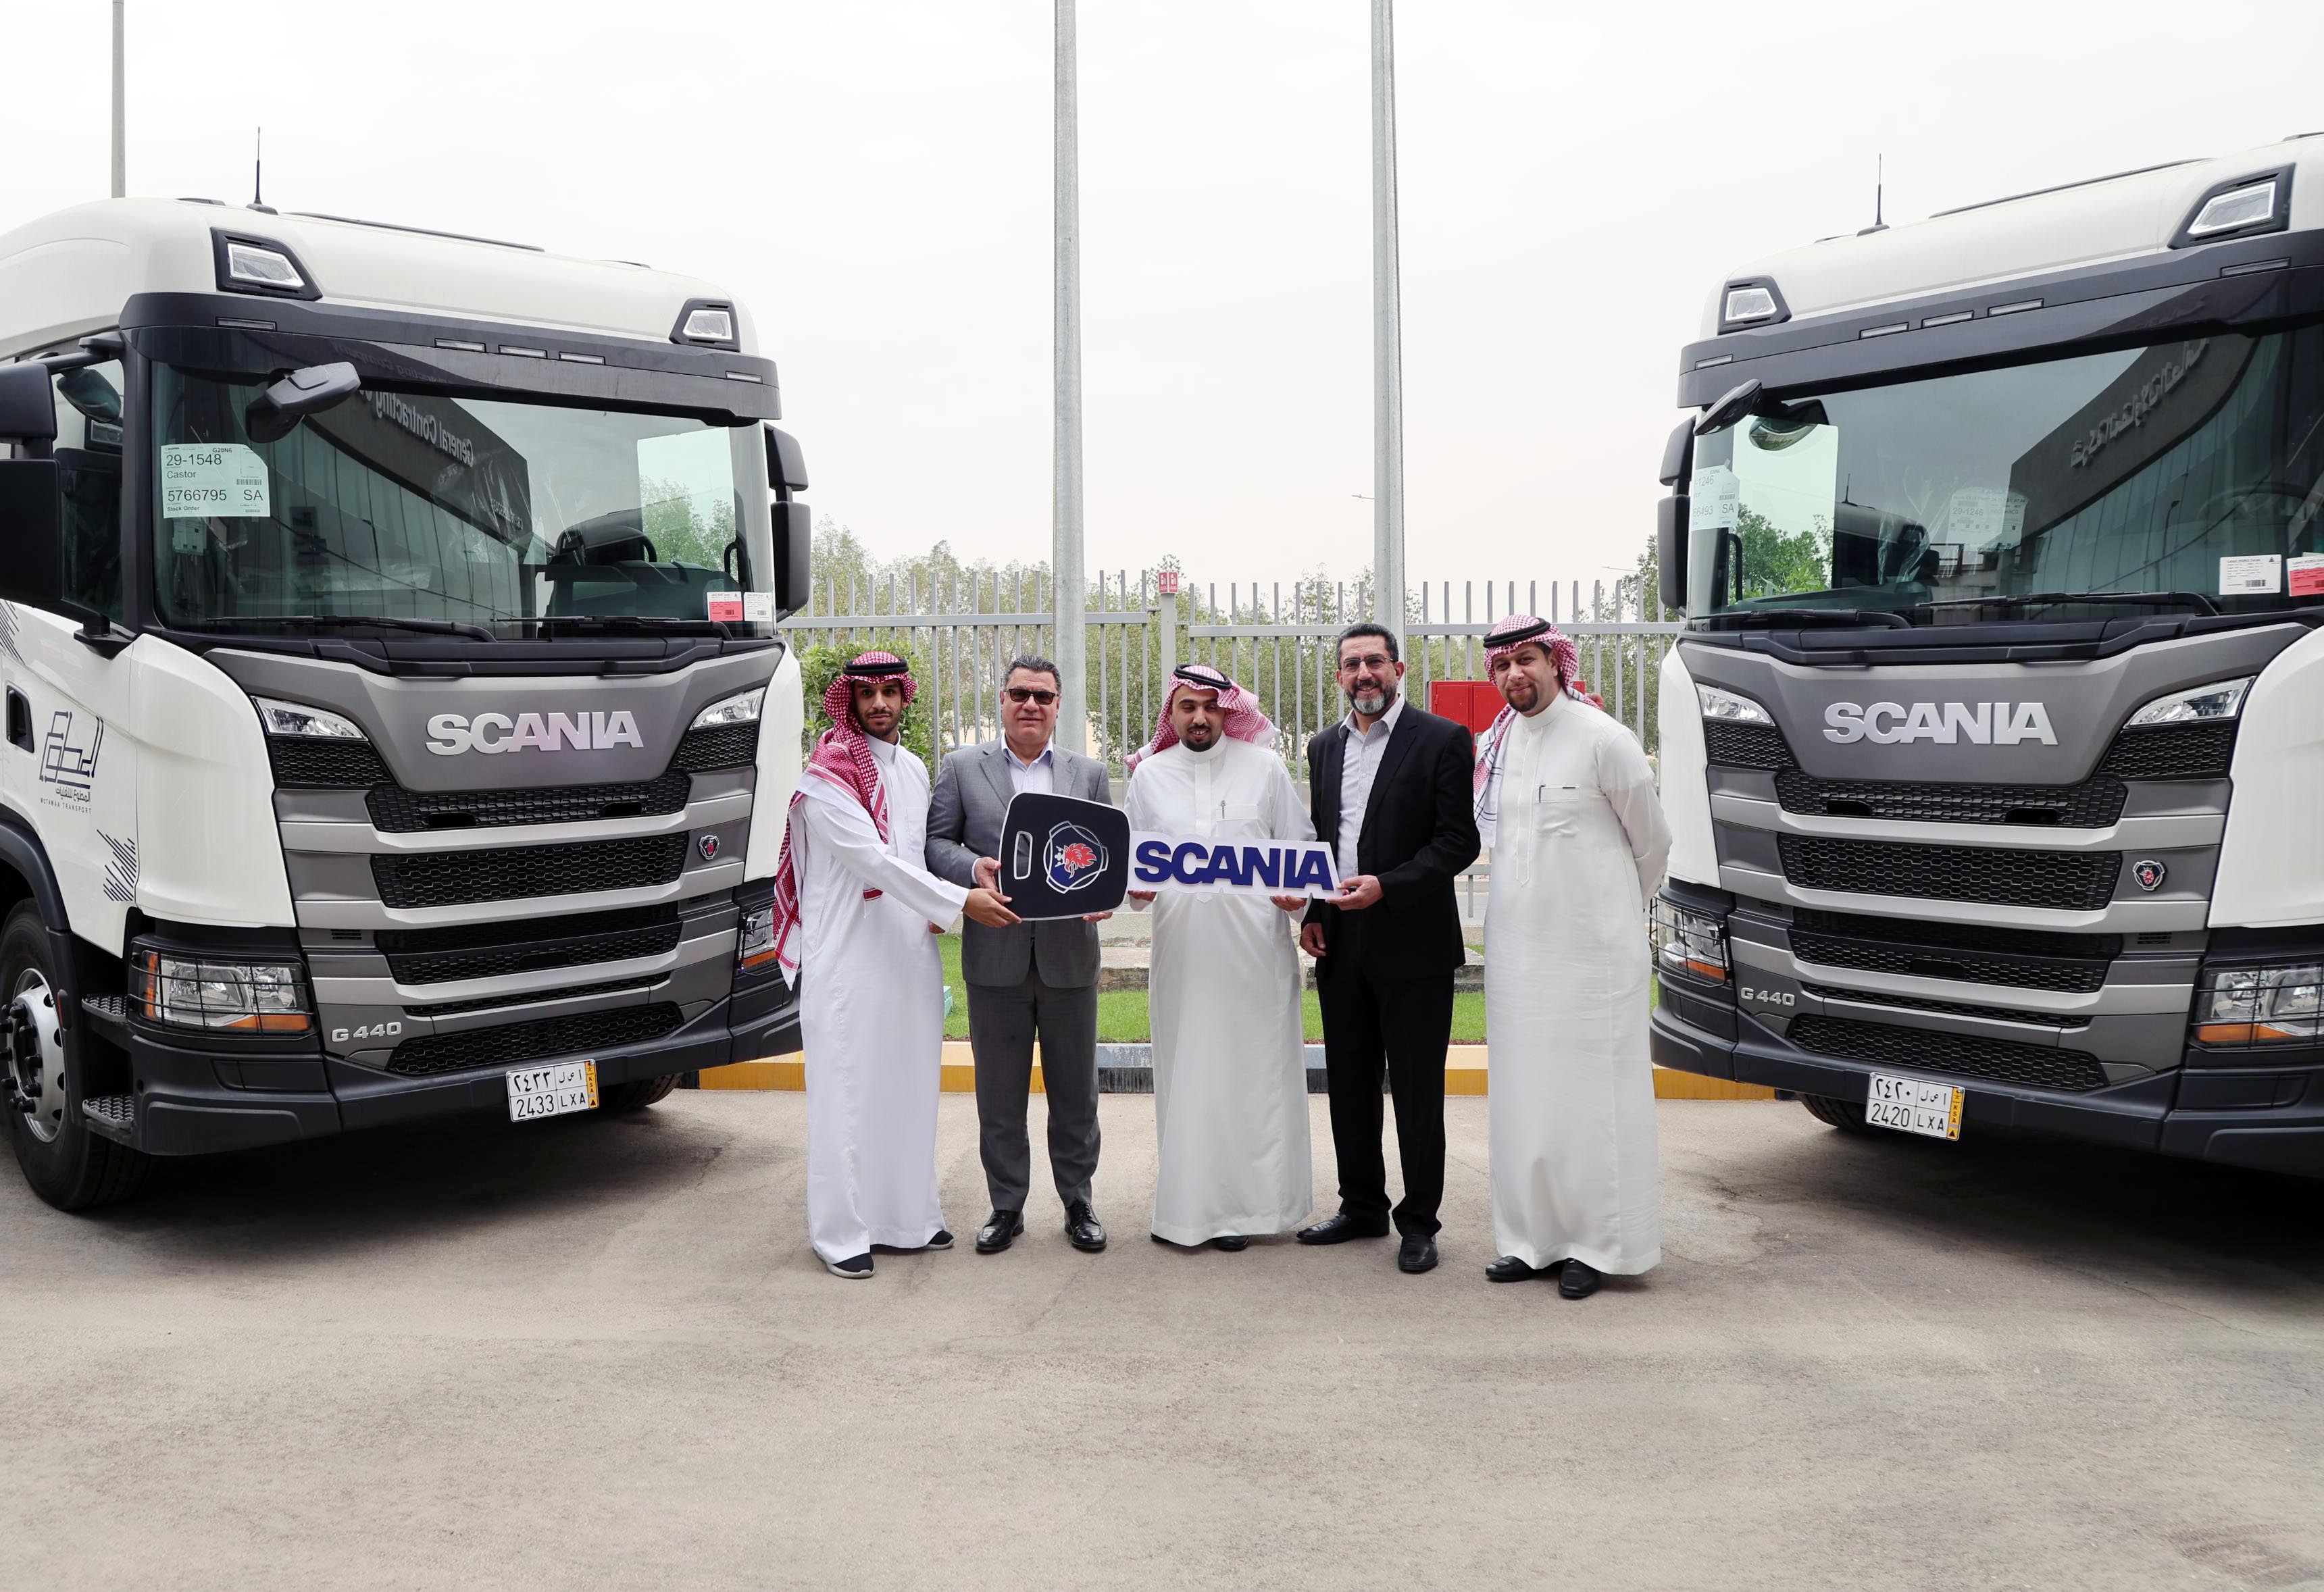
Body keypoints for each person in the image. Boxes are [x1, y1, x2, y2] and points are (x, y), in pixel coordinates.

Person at [770, 650, 1019, 1279]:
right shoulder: (827, 776)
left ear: (905, 697)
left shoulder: (912, 769)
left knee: (909, 1087)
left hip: (908, 955)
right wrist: (960, 901)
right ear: (850, 701)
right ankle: (841, 1233)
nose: (879, 703)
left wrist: (969, 875)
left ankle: (910, 1219)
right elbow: (875, 861)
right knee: (847, 1095)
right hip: (847, 960)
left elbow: (916, 856)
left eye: (890, 692)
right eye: (867, 693)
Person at [1472, 615, 1671, 1300]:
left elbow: (1653, 843)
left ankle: (1598, 1245)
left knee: (1593, 1101)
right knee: (1526, 1096)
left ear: (1556, 662)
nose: (1514, 674)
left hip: (1592, 958)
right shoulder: (1496, 744)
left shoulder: (1603, 738)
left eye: (1526, 659)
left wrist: (1610, 914)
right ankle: (1531, 1240)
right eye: (1502, 664)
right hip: (1517, 954)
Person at [1294, 623, 1482, 1275]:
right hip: (1340, 942)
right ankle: (1362, 1206)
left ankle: (1419, 1222)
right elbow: (1325, 838)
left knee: (1416, 1089)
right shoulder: (1324, 747)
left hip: (1414, 942)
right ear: (1339, 676)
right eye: (1351, 664)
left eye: (1374, 661)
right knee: (1349, 1083)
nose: (1363, 673)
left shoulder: (1443, 739)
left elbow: (1458, 841)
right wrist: (1314, 911)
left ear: (1398, 669)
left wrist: (1387, 887)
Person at [1123, 665, 1315, 1251]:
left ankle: (1249, 1211)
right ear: (1172, 713)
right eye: (1188, 706)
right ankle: (1189, 1211)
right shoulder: (1149, 776)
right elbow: (1132, 875)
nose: (1200, 716)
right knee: (1189, 1076)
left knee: (1253, 1078)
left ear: (1229, 710)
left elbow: (1299, 847)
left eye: (1211, 705)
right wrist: (1136, 887)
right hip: (1183, 956)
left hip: (1256, 955)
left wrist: (1299, 896)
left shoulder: (1265, 767)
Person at [927, 655, 1114, 1257]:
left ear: (1059, 706)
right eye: (1019, 694)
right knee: (1000, 1095)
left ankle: (1078, 1202)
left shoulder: (1089, 773)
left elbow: (1106, 852)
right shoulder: (961, 767)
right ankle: (1006, 1206)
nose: (1031, 704)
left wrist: (1104, 894)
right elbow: (935, 842)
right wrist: (970, 869)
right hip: (994, 958)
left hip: (1069, 958)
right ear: (1002, 701)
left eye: (1043, 695)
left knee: (1076, 1093)